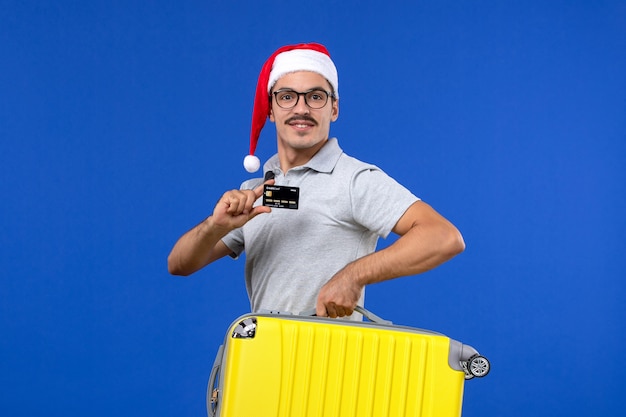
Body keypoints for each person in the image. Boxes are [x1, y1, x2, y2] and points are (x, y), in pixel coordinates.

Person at [168, 43, 465, 320]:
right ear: (270, 110)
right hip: (263, 359)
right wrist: (214, 227)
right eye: (287, 97)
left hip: (329, 363)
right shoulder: (255, 192)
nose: (301, 109)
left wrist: (353, 275)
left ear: (333, 108)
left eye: (316, 96)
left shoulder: (354, 180)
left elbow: (443, 236)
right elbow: (179, 265)